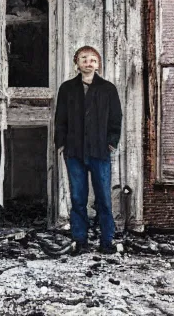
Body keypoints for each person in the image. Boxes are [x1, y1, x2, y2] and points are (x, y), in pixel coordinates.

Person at [54, 45, 122, 254]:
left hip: (100, 151)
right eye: (84, 58)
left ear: (98, 64)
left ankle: (107, 241)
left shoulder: (108, 89)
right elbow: (60, 118)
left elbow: (115, 118)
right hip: (74, 151)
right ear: (77, 62)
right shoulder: (67, 88)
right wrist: (62, 144)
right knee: (78, 197)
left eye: (92, 59)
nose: (88, 62)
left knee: (103, 197)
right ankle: (80, 241)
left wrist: (111, 142)